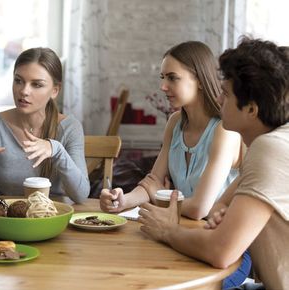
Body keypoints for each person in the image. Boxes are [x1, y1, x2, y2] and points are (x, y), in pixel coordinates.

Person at [138, 37, 289, 290]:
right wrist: (222, 213)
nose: (218, 100)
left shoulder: (270, 149)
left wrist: (167, 230)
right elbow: (219, 207)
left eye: (226, 94)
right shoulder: (273, 143)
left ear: (251, 109)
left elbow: (221, 251)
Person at [100, 41, 242, 220]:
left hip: (215, 237)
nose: (163, 86)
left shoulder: (224, 130)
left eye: (172, 77)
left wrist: (160, 196)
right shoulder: (175, 123)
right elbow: (153, 181)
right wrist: (121, 200)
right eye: (163, 77)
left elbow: (199, 209)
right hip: (180, 228)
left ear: (199, 80)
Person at [0, 47, 89, 203]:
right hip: (5, 220)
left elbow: (81, 196)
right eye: (18, 81)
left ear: (55, 90)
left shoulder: (70, 128)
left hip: (53, 219)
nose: (24, 91)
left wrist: (56, 150)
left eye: (36, 84)